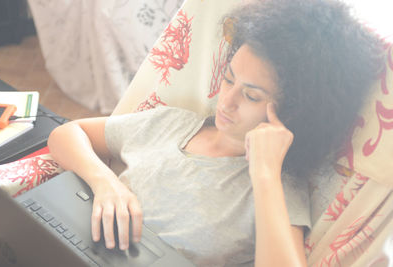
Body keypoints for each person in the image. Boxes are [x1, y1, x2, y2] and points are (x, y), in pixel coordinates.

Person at [47, 0, 384, 266]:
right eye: (228, 78)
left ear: (295, 114)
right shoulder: (172, 124)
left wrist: (265, 173)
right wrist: (105, 183)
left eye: (252, 95)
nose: (227, 100)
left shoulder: (278, 189)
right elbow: (66, 135)